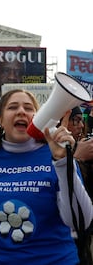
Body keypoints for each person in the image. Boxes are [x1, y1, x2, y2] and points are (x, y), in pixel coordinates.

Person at [0, 89, 93, 265]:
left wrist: (62, 163)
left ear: (38, 118)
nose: (21, 111)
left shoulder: (57, 155)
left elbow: (79, 221)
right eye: (13, 107)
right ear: (1, 120)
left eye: (28, 108)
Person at [67, 106, 93, 264]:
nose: (81, 126)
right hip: (65, 236)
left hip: (84, 232)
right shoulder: (47, 151)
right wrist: (76, 159)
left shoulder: (83, 145)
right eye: (76, 120)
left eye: (82, 121)